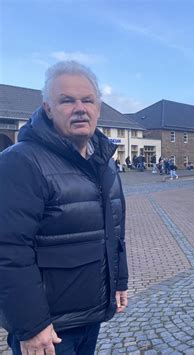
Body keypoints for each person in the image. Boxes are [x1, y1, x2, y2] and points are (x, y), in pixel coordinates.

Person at [0, 61, 128, 355]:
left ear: (98, 107)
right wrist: (31, 326)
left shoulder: (105, 163)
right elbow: (8, 250)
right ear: (48, 108)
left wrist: (119, 281)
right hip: (49, 330)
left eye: (87, 100)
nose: (79, 108)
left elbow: (113, 232)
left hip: (91, 316)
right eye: (67, 100)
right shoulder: (21, 162)